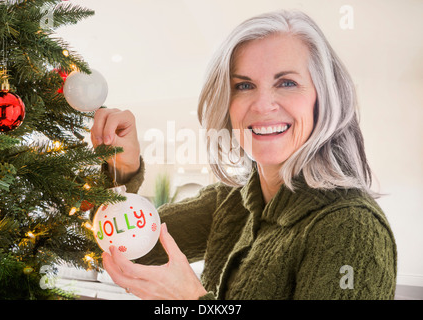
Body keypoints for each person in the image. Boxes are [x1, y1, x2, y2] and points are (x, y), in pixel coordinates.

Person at [91, 10, 397, 300]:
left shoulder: (352, 228)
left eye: (287, 82)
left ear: (323, 99)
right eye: (244, 85)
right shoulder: (230, 202)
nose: (263, 105)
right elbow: (125, 247)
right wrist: (124, 169)